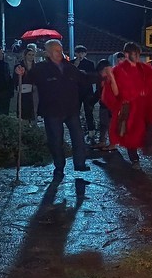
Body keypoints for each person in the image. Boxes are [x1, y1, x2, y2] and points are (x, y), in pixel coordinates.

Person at [18, 39, 100, 180]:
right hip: (52, 112)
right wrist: (20, 73)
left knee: (78, 139)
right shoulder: (41, 69)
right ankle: (59, 167)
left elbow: (84, 78)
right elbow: (26, 79)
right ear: (48, 53)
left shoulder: (69, 67)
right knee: (55, 141)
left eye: (61, 50)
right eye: (56, 50)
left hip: (71, 110)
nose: (60, 53)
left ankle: (79, 164)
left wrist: (102, 76)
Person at [101, 42, 152, 170]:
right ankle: (134, 159)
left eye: (138, 54)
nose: (137, 57)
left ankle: (148, 145)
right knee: (129, 133)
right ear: (127, 54)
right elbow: (116, 92)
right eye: (134, 54)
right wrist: (111, 77)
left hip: (145, 107)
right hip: (129, 107)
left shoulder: (144, 69)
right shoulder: (118, 70)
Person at [73, 45, 98, 142]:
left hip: (87, 90)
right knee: (75, 112)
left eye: (82, 53)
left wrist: (85, 74)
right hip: (76, 91)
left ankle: (91, 132)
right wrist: (75, 65)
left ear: (85, 53)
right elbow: (69, 75)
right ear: (75, 53)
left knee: (89, 111)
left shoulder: (90, 63)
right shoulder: (72, 63)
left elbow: (94, 76)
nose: (80, 55)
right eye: (78, 53)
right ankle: (77, 132)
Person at [93, 58, 116, 150]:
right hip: (103, 104)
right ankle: (102, 141)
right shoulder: (102, 79)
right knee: (103, 124)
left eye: (101, 71)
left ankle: (112, 144)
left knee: (110, 125)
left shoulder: (113, 78)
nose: (100, 74)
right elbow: (99, 92)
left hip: (111, 106)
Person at [14, 47, 39, 122]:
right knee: (24, 108)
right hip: (23, 90)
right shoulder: (20, 66)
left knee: (33, 108)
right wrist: (17, 86)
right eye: (29, 55)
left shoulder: (36, 66)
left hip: (34, 90)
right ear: (25, 55)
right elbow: (15, 78)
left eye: (33, 55)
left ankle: (33, 121)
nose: (31, 56)